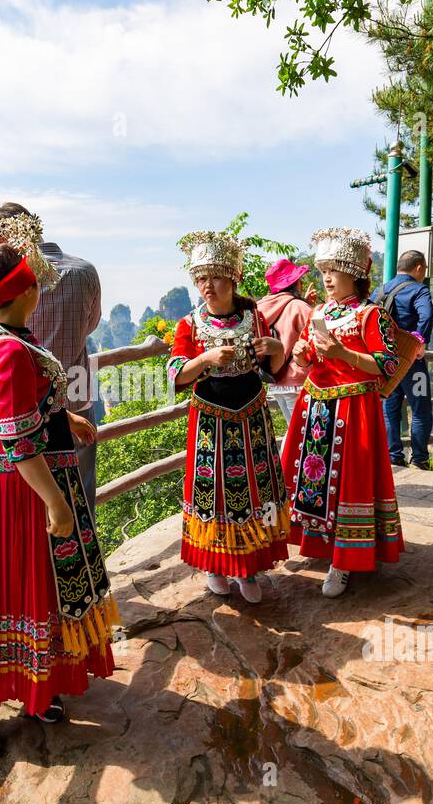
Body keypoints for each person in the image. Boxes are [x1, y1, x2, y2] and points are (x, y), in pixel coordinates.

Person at [0, 226, 119, 757]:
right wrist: (56, 502)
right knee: (5, 590)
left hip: (37, 476)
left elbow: (20, 411)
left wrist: (65, 417)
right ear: (25, 293)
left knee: (42, 587)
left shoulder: (16, 340)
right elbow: (18, 440)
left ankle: (35, 686)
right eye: (37, 282)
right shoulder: (6, 351)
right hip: (18, 489)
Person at [166, 230, 291, 604]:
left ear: (232, 278)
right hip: (212, 424)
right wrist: (203, 360)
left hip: (251, 417)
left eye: (215, 277)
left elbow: (275, 368)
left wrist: (278, 347)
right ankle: (216, 567)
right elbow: (175, 373)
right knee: (216, 494)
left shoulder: (254, 315)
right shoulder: (189, 324)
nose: (208, 286)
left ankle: (249, 567)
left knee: (254, 492)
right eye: (201, 278)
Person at [280, 227, 404, 599]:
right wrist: (304, 354)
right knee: (314, 483)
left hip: (353, 411)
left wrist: (344, 355)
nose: (328, 277)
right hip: (316, 407)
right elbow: (305, 350)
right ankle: (320, 545)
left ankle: (346, 558)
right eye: (324, 270)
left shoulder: (372, 316)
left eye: (336, 269)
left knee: (349, 485)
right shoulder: (320, 311)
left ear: (357, 273)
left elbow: (386, 363)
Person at [0, 203, 104, 509]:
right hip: (77, 396)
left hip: (23, 407)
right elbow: (91, 325)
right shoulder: (85, 271)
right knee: (82, 496)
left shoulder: (2, 287)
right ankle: (83, 555)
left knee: (34, 504)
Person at [372, 249, 433, 469]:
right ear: (418, 267)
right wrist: (419, 341)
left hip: (385, 362)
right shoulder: (419, 290)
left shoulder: (379, 290)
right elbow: (426, 315)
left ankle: (393, 456)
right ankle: (419, 459)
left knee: (390, 410)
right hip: (411, 361)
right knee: (420, 409)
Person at [255, 258, 316, 423]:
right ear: (295, 284)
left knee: (294, 432)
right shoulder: (298, 307)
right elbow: (317, 336)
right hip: (298, 381)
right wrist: (308, 306)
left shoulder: (259, 307)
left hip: (275, 382)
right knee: (303, 436)